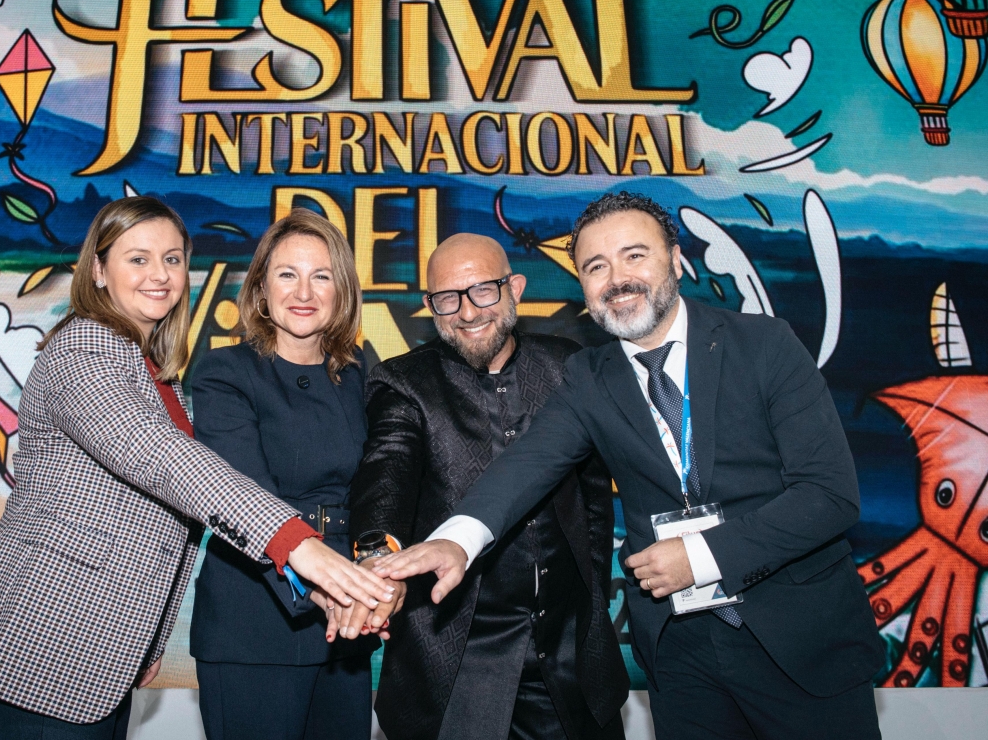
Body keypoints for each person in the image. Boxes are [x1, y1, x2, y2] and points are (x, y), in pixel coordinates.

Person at [375, 193, 883, 740]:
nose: (617, 279)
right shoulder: (588, 377)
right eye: (596, 266)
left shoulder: (764, 344)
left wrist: (702, 556)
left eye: (634, 256)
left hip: (799, 639)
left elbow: (830, 494)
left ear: (675, 259)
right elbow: (526, 464)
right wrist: (457, 541)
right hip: (682, 654)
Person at [0, 197, 394, 739]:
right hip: (45, 632)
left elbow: (164, 519)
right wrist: (297, 544)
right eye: (138, 259)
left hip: (104, 643)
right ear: (98, 270)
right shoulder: (84, 349)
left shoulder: (151, 368)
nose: (159, 275)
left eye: (172, 260)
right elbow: (165, 461)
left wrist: (148, 640)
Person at [346, 234, 628, 740]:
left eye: (483, 290)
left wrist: (590, 598)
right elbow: (384, 479)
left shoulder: (567, 366)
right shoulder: (405, 383)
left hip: (573, 663)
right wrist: (375, 558)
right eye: (447, 298)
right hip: (458, 668)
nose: (467, 312)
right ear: (429, 305)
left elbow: (594, 501)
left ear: (514, 288)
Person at [190, 208, 405, 740]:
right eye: (287, 274)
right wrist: (323, 588)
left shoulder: (364, 375)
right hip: (255, 623)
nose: (303, 292)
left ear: (342, 291)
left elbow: (383, 488)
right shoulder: (224, 372)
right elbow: (243, 496)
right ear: (261, 288)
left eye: (321, 275)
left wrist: (376, 574)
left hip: (346, 624)